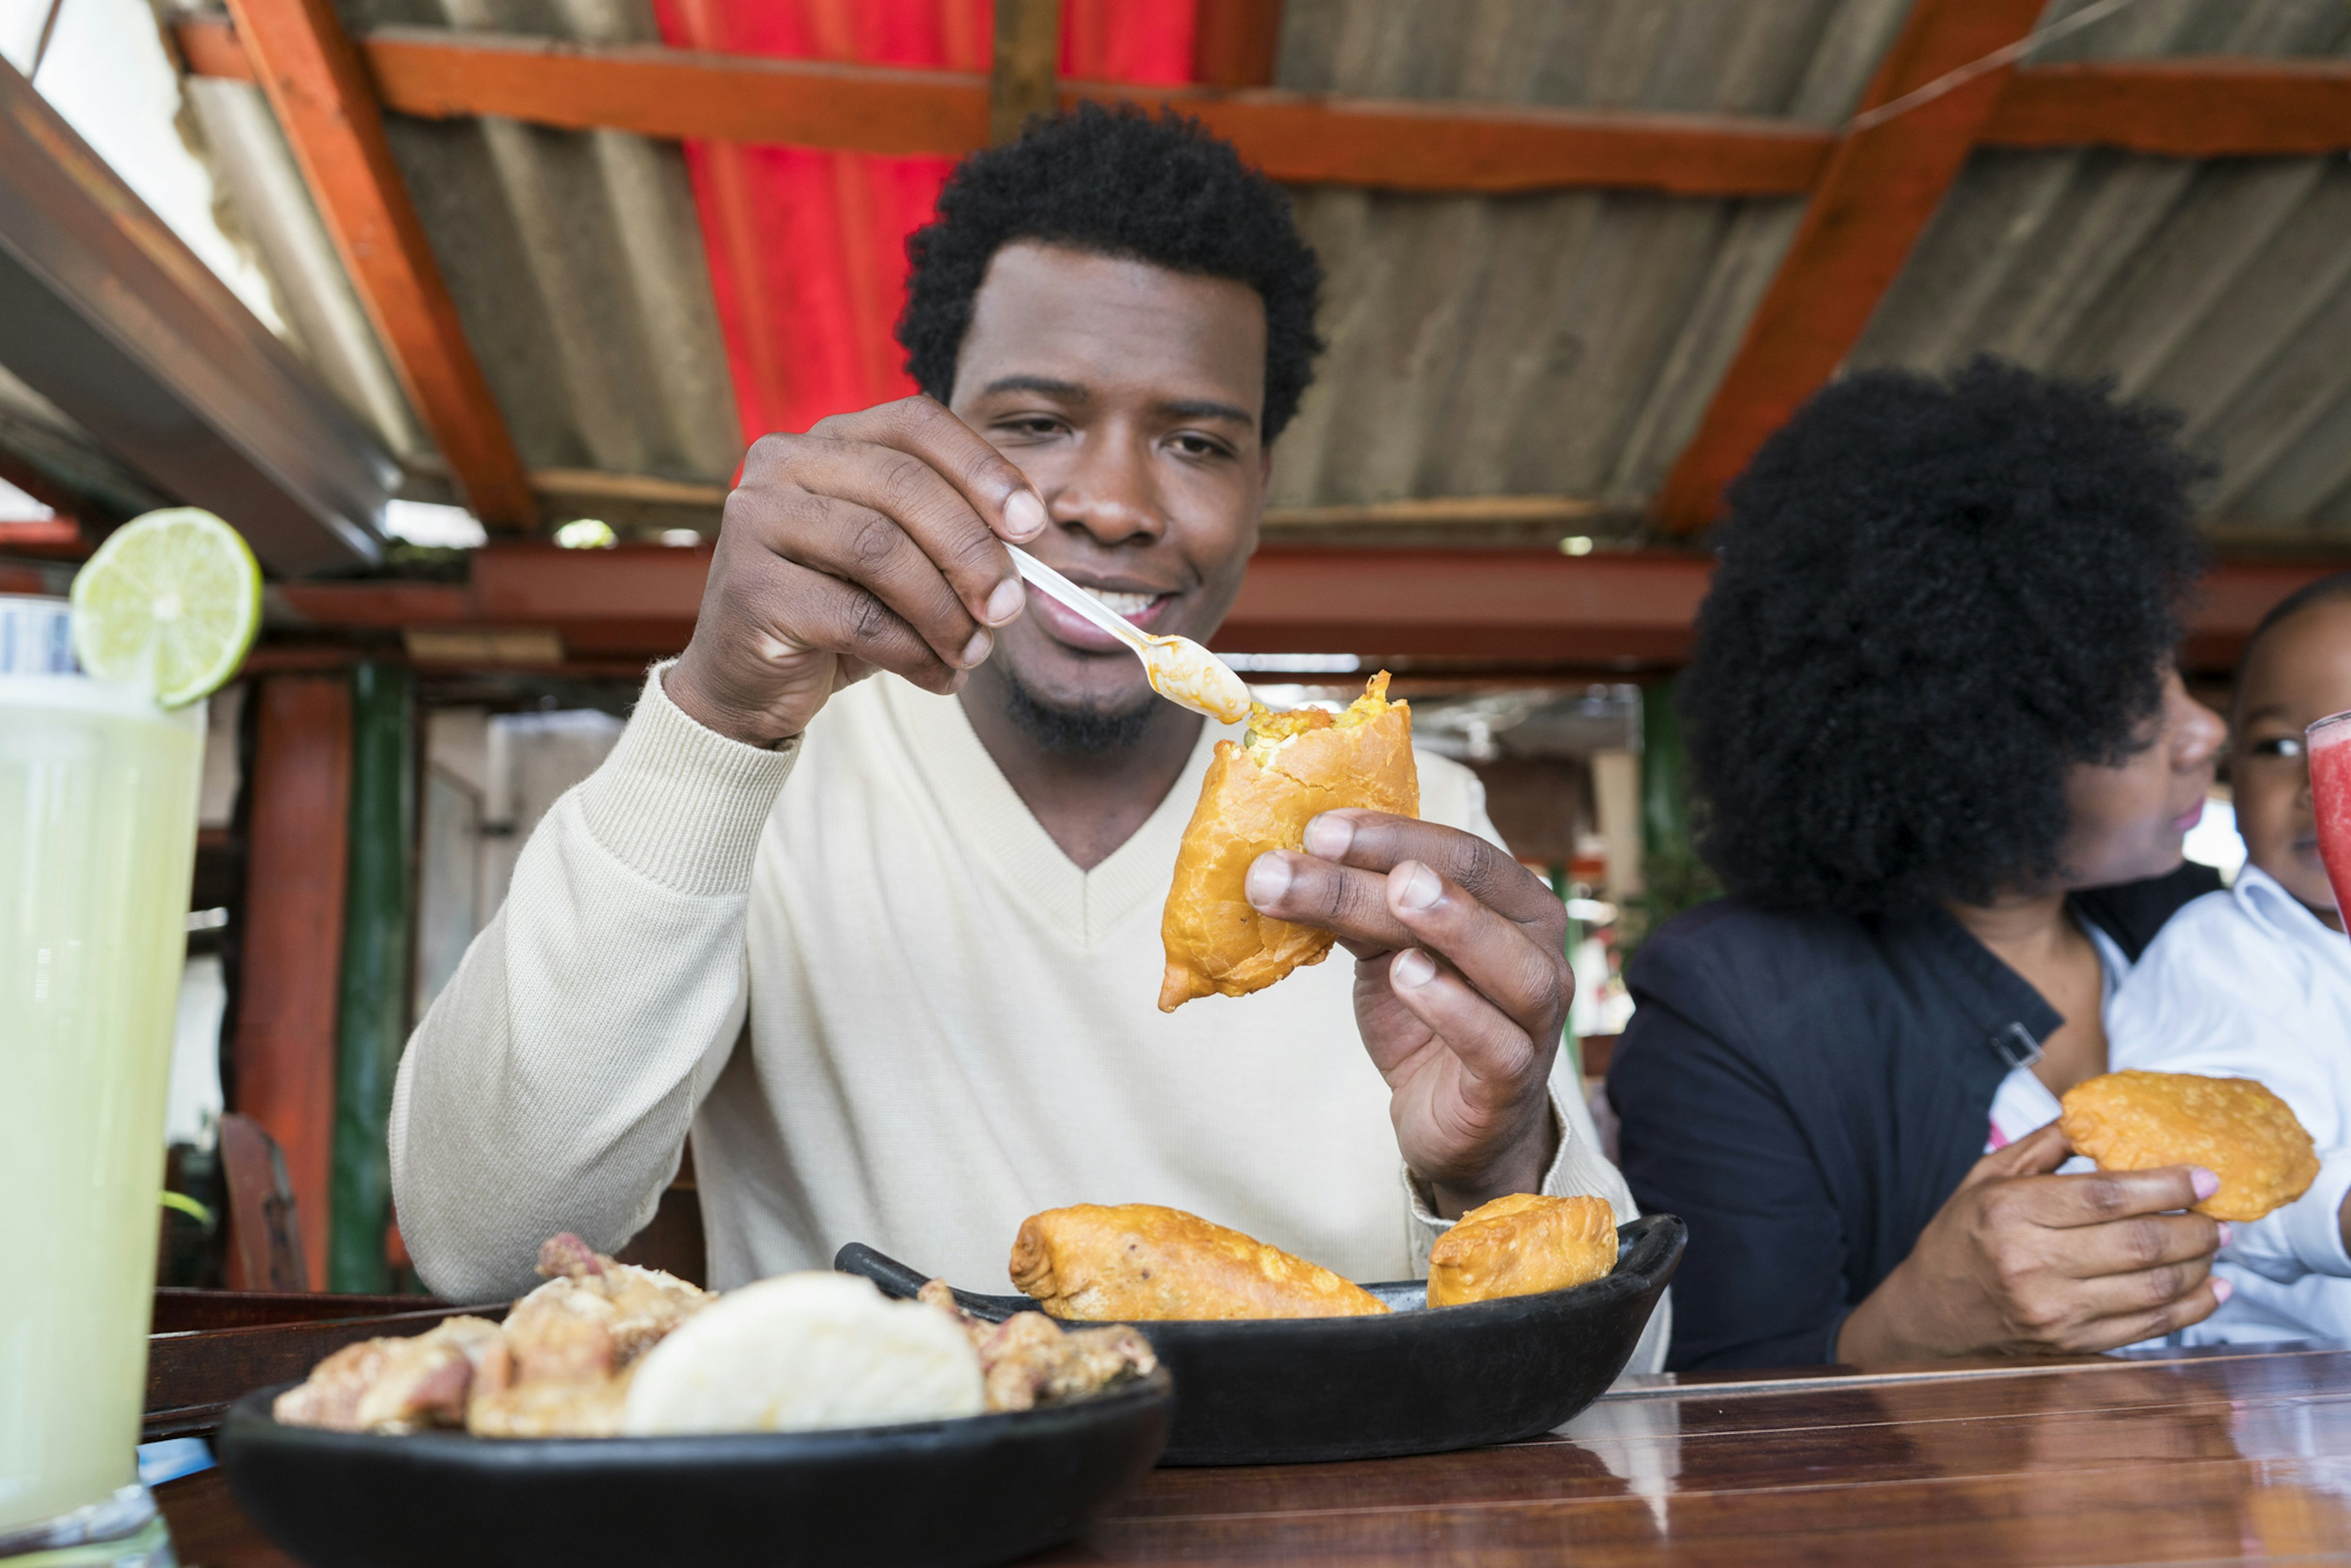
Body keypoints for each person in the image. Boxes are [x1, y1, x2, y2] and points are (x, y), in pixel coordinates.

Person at [389, 106, 1650, 1359]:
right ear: (928, 435)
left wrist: (1495, 1169)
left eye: (1197, 441)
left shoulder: (1416, 824)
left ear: (1263, 485)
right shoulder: (762, 776)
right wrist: (716, 722)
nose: (1109, 501)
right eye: (1036, 423)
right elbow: (481, 1242)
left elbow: (1630, 1371)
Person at [1608, 358, 2227, 1371]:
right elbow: (1718, 1418)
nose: (2203, 729)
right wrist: (1916, 1328)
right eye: (2126, 698)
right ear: (1973, 728)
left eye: (2179, 672)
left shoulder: (2208, 922)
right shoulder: (1735, 1001)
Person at [2108, 573, 2351, 1345]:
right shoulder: (2219, 951)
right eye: (2281, 746)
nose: (2322, 787)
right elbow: (2223, 1176)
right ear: (2229, 772)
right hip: (2265, 1400)